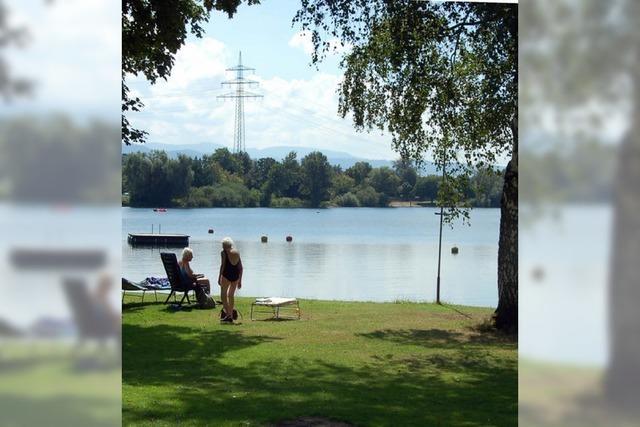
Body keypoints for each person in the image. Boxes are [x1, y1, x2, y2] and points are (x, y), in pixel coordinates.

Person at [218, 237, 243, 323]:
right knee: (231, 295)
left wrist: (219, 277)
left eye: (223, 245)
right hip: (235, 275)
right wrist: (240, 280)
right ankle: (231, 315)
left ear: (224, 245)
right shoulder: (237, 252)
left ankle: (228, 314)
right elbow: (241, 267)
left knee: (223, 295)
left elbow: (223, 265)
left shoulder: (224, 253)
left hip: (227, 274)